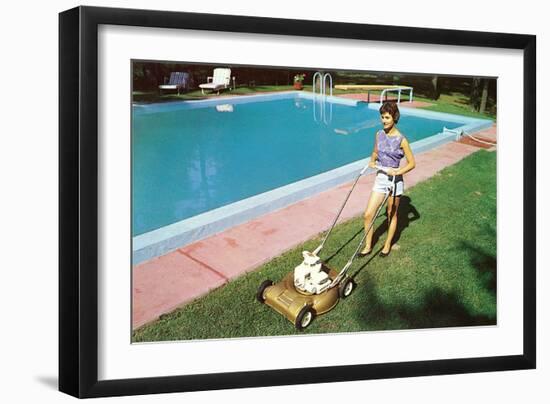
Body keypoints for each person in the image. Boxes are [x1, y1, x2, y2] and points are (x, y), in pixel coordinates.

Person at [360, 102, 416, 257]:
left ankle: (387, 245)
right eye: (382, 117)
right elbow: (375, 152)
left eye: (387, 117)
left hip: (395, 181)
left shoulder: (401, 139)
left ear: (394, 118)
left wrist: (398, 171)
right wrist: (372, 160)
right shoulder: (379, 134)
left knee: (392, 213)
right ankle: (368, 246)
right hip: (381, 178)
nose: (384, 120)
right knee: (368, 214)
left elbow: (412, 163)